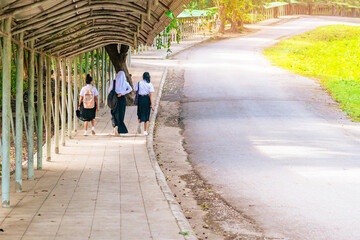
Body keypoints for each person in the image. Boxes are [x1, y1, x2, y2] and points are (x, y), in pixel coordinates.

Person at [109, 71, 132, 136]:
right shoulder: (125, 83)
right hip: (122, 99)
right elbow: (130, 89)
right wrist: (122, 93)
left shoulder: (113, 82)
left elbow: (109, 90)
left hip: (114, 99)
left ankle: (116, 125)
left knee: (115, 112)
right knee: (121, 113)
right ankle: (120, 130)